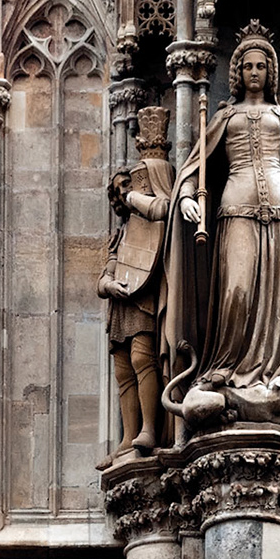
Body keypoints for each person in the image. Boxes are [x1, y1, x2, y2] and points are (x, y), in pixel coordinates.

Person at [163, 26, 280, 428]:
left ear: (271, 72)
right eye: (247, 65)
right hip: (235, 211)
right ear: (237, 72)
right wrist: (186, 197)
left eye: (262, 65)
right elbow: (194, 168)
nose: (254, 72)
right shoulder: (224, 117)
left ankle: (269, 375)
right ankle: (226, 369)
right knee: (237, 292)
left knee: (272, 302)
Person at [98, 107, 174, 461]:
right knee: (123, 369)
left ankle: (148, 430)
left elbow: (164, 209)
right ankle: (128, 438)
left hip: (144, 298)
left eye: (131, 185)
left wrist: (132, 196)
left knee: (144, 358)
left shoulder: (152, 218)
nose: (125, 192)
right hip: (121, 302)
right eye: (121, 189)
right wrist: (108, 284)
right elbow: (107, 271)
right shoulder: (125, 230)